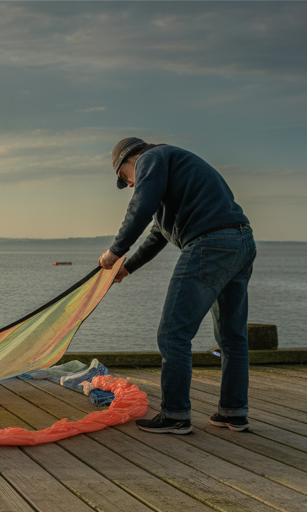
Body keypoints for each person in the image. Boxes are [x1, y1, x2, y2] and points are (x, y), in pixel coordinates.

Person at [97, 137, 256, 434]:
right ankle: (234, 411)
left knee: (173, 333)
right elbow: (158, 233)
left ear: (132, 158)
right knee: (233, 336)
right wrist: (127, 268)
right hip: (241, 241)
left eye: (124, 176)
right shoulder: (176, 171)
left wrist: (115, 251)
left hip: (208, 243)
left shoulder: (151, 158)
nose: (130, 183)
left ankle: (175, 415)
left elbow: (140, 206)